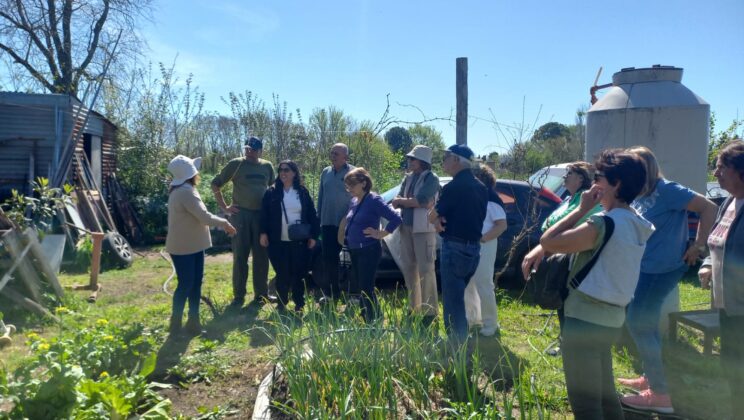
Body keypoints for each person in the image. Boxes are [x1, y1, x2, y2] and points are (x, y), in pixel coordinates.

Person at [540, 149, 653, 420]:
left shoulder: (603, 224)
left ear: (616, 184)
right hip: (612, 319)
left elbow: (549, 241)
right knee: (604, 395)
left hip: (584, 320)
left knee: (586, 405)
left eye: (598, 177)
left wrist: (581, 209)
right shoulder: (637, 223)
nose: (593, 184)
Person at [618, 146, 717, 414]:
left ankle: (661, 395)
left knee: (638, 322)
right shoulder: (643, 194)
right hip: (646, 268)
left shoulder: (668, 190)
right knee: (643, 324)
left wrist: (698, 245)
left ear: (644, 169)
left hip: (661, 269)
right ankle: (653, 378)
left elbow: (709, 207)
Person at [521, 161, 602, 353]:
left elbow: (575, 226)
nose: (564, 178)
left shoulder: (586, 201)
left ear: (580, 178)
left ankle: (570, 345)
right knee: (560, 298)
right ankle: (566, 341)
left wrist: (550, 240)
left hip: (570, 257)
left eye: (569, 174)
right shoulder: (569, 199)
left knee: (567, 299)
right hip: (556, 253)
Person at [698, 139, 744, 418]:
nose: (715, 174)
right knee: (732, 363)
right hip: (728, 306)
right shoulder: (729, 202)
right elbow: (718, 239)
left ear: (740, 170)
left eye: (721, 167)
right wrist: (707, 264)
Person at [166, 155, 236, 335]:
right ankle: (175, 326)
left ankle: (193, 322)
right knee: (186, 284)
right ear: (191, 173)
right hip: (185, 247)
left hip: (191, 245)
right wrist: (225, 223)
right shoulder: (185, 192)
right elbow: (204, 217)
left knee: (194, 283)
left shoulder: (181, 189)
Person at [428, 144, 487, 345]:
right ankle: (461, 340)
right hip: (474, 250)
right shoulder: (481, 187)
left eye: (446, 157)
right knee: (458, 297)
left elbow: (432, 215)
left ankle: (457, 347)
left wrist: (435, 220)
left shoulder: (452, 187)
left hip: (454, 248)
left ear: (456, 160)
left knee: (453, 302)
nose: (443, 160)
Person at [211, 136, 275, 309]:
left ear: (261, 150)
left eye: (253, 149)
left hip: (261, 216)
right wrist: (225, 208)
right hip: (240, 216)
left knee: (261, 256)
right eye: (247, 148)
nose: (249, 152)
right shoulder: (236, 164)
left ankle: (261, 294)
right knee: (241, 256)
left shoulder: (267, 166)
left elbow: (273, 188)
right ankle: (239, 296)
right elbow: (215, 184)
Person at [338, 167, 401, 322]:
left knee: (367, 286)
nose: (349, 189)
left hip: (369, 249)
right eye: (347, 185)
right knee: (361, 285)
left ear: (364, 183)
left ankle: (373, 319)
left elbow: (396, 218)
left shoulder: (374, 200)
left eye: (352, 185)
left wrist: (381, 233)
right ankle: (368, 314)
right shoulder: (353, 201)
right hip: (355, 250)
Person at [259, 160, 319, 315]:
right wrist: (263, 233)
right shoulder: (271, 192)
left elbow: (312, 215)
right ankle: (282, 303)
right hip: (277, 241)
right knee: (282, 273)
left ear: (294, 173)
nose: (283, 173)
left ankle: (299, 304)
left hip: (299, 241)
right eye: (281, 170)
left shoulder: (302, 192)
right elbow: (263, 214)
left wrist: (313, 235)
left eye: (287, 170)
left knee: (299, 274)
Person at [391, 145, 440, 324]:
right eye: (410, 158)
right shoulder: (408, 178)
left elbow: (424, 200)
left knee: (426, 270)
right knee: (409, 268)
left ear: (423, 161)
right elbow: (397, 201)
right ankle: (414, 308)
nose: (409, 161)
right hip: (405, 227)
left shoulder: (432, 178)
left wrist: (403, 202)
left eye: (413, 159)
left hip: (424, 230)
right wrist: (406, 202)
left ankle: (430, 312)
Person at [463, 164, 507, 337]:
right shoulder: (473, 196)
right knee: (469, 283)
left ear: (481, 178)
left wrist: (483, 238)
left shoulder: (492, 198)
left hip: (485, 245)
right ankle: (473, 319)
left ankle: (490, 325)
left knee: (483, 283)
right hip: (470, 244)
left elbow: (501, 225)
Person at [317, 143, 355, 301]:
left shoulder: (354, 172)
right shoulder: (325, 172)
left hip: (347, 225)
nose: (332, 156)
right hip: (327, 223)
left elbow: (359, 196)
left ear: (345, 157)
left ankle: (353, 294)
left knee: (350, 260)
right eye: (331, 153)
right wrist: (318, 217)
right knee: (329, 260)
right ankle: (330, 294)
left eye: (336, 153)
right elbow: (321, 197)